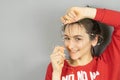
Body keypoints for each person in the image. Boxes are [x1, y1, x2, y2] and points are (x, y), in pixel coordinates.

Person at [45, 6, 120, 80]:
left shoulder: (108, 64)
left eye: (78, 39)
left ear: (94, 40)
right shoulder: (56, 67)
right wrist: (56, 74)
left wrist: (85, 12)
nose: (70, 46)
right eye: (67, 38)